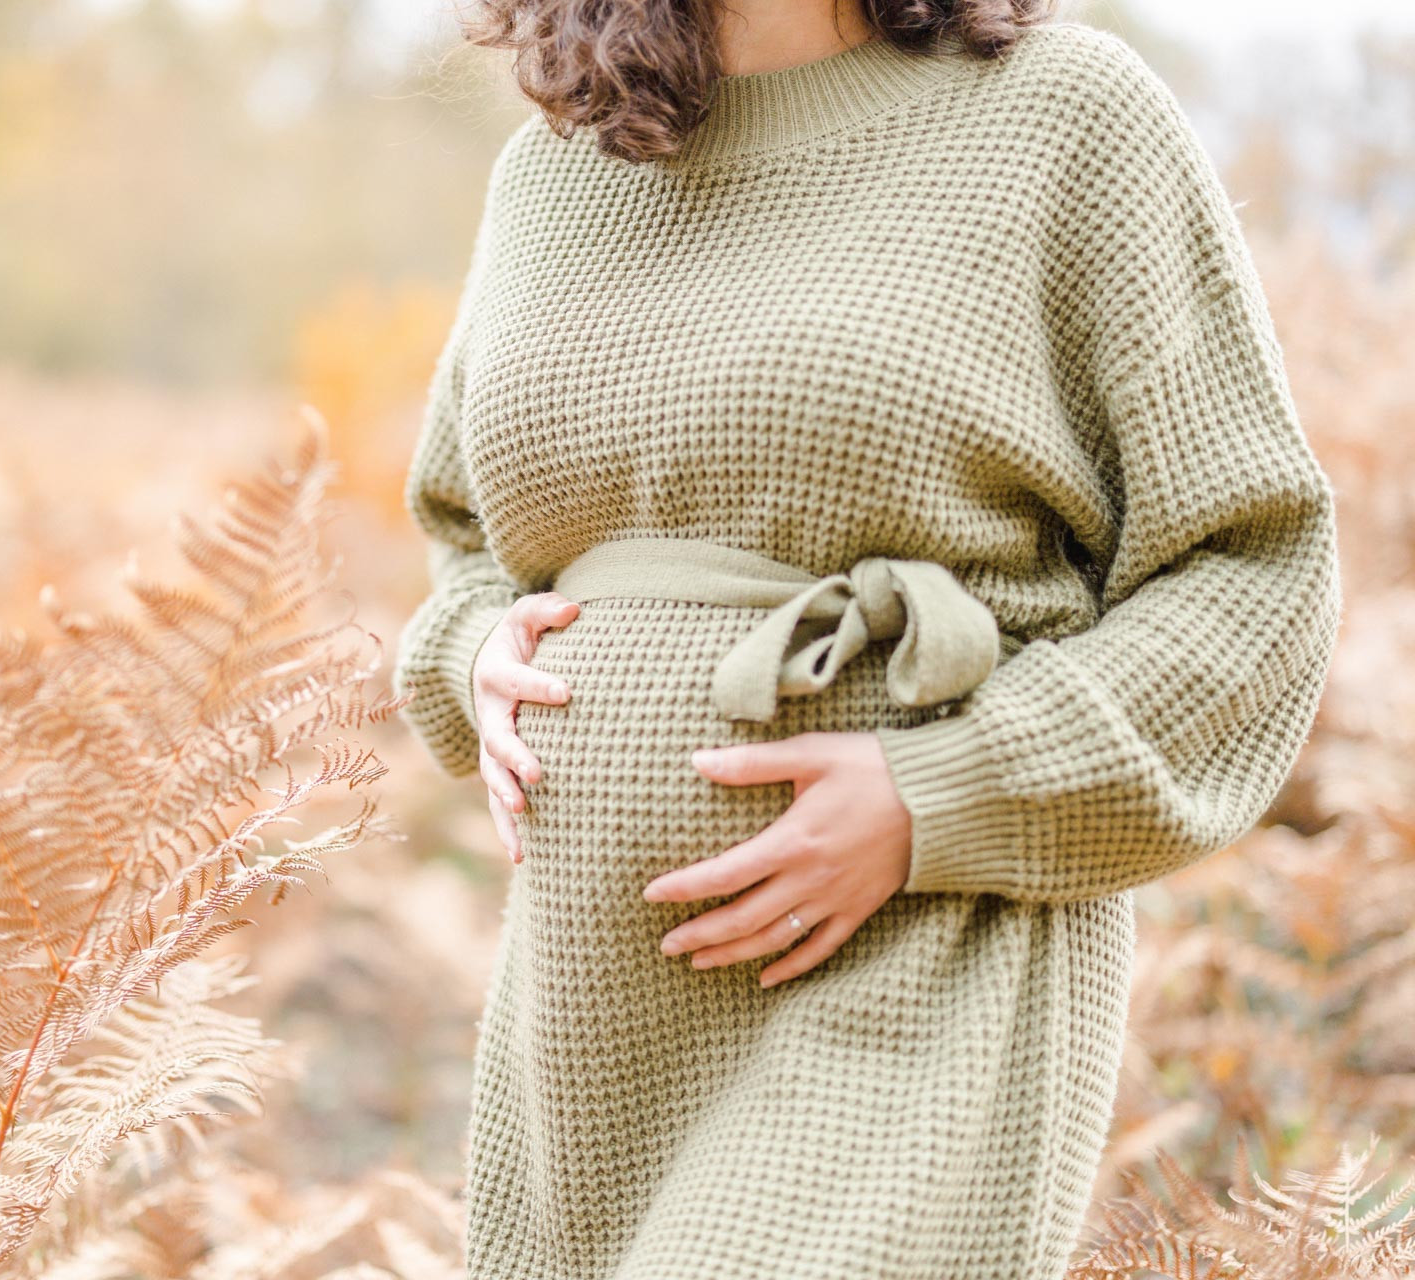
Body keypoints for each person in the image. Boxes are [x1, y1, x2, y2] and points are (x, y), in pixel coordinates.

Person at [389, 0, 1345, 1276]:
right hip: (585, 1016)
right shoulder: (558, 169)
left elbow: (1255, 561)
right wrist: (472, 654)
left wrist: (938, 790)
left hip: (918, 968)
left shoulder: (1065, 116)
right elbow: (466, 539)